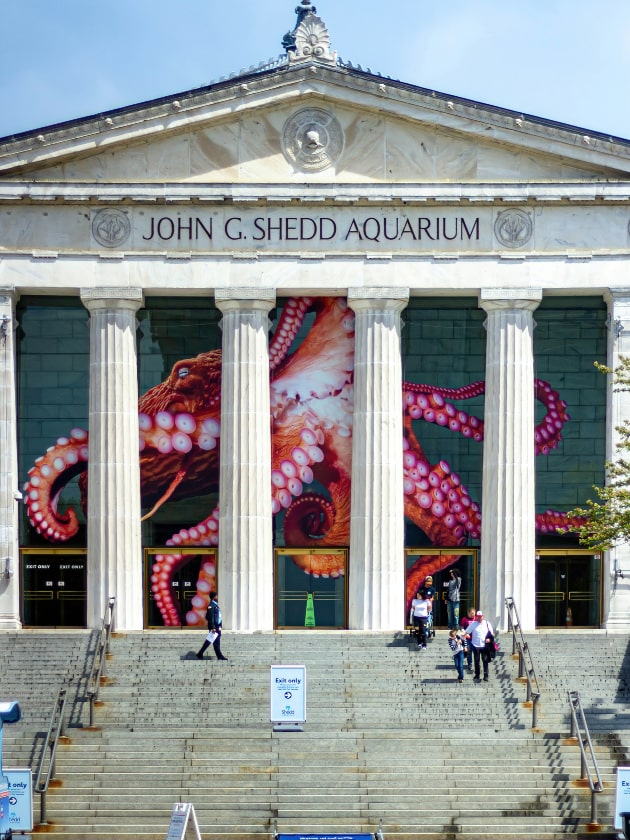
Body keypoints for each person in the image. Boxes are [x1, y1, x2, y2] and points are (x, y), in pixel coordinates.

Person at [196, 591, 228, 661]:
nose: (217, 597)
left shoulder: (215, 605)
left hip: (217, 626)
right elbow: (210, 617)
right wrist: (213, 627)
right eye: (216, 596)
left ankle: (200, 653)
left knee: (212, 640)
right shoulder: (211, 605)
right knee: (213, 641)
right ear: (214, 597)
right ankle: (219, 656)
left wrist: (220, 625)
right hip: (215, 627)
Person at [464, 609, 494, 682]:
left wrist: (489, 640)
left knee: (485, 660)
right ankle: (477, 675)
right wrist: (466, 635)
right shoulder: (473, 624)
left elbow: (492, 634)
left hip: (484, 646)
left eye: (480, 617)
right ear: (476, 617)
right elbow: (466, 632)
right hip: (476, 645)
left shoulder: (487, 623)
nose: (479, 618)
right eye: (478, 617)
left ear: (482, 617)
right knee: (476, 661)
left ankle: (486, 675)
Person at [459, 607, 476, 672]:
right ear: (468, 613)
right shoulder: (464, 619)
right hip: (468, 639)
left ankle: (477, 664)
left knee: (476, 652)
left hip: (475, 638)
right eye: (471, 613)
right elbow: (461, 628)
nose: (472, 615)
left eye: (473, 613)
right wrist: (465, 633)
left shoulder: (476, 619)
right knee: (469, 652)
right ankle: (470, 664)